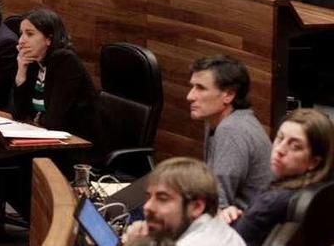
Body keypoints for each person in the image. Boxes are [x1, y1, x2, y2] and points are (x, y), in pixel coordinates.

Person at [222, 108, 334, 246]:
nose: (280, 149)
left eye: (294, 146)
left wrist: (219, 223)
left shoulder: (273, 201)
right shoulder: (322, 190)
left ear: (314, 162)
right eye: (280, 138)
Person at [186, 56, 272, 210]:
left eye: (201, 88)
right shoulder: (217, 122)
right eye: (192, 87)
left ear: (228, 95)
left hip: (243, 228)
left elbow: (217, 204)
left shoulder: (232, 130)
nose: (190, 96)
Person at [11, 8, 99, 142]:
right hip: (45, 138)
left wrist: (37, 119)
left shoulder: (66, 62)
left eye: (29, 34)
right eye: (21, 33)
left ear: (49, 39)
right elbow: (18, 113)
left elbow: (54, 121)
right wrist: (21, 73)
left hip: (77, 144)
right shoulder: (34, 62)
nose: (21, 41)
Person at [122, 157, 246, 246]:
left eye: (163, 199)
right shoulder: (214, 226)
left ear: (196, 207)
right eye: (149, 197)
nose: (147, 206)